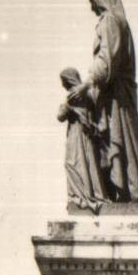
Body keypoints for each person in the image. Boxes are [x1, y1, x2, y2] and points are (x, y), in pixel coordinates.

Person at [73, 0, 138, 206]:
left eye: (93, 3)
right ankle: (128, 194)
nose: (93, 10)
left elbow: (107, 59)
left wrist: (86, 84)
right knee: (123, 146)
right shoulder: (118, 22)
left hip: (117, 100)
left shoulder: (111, 21)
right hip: (113, 97)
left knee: (125, 144)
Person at [57, 68, 106, 211]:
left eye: (63, 81)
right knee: (88, 163)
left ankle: (81, 196)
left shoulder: (73, 95)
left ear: (68, 80)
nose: (62, 85)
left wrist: (65, 106)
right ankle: (91, 193)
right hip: (88, 134)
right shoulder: (88, 95)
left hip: (76, 134)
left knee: (72, 163)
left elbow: (60, 116)